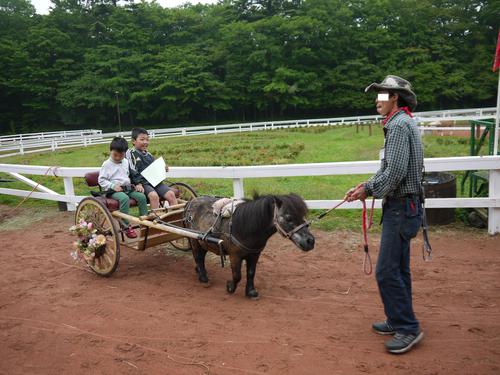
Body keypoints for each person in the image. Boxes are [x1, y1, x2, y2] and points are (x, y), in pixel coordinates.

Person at [345, 75, 424, 354]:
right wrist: (365, 186)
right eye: (377, 95)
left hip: (401, 208)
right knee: (399, 269)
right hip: (405, 207)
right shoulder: (401, 122)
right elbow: (389, 168)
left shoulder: (399, 126)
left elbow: (395, 173)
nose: (377, 100)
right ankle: (398, 319)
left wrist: (369, 190)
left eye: (382, 95)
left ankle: (408, 328)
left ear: (395, 98)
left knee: (386, 271)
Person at [98, 137, 148, 239]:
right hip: (113, 191)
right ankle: (126, 226)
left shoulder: (126, 161)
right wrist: (113, 186)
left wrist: (138, 184)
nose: (117, 158)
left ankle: (145, 222)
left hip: (127, 188)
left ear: (125, 153)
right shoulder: (106, 164)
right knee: (124, 198)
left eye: (121, 155)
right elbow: (101, 180)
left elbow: (133, 175)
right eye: (115, 155)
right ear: (110, 151)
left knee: (142, 197)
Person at [126, 128, 178, 209]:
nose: (145, 142)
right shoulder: (131, 153)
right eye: (142, 139)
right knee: (154, 196)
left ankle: (174, 218)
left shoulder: (149, 155)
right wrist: (138, 183)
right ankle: (155, 220)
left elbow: (154, 168)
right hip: (143, 183)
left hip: (154, 181)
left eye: (147, 139)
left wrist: (163, 168)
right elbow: (132, 170)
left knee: (171, 194)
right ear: (133, 141)